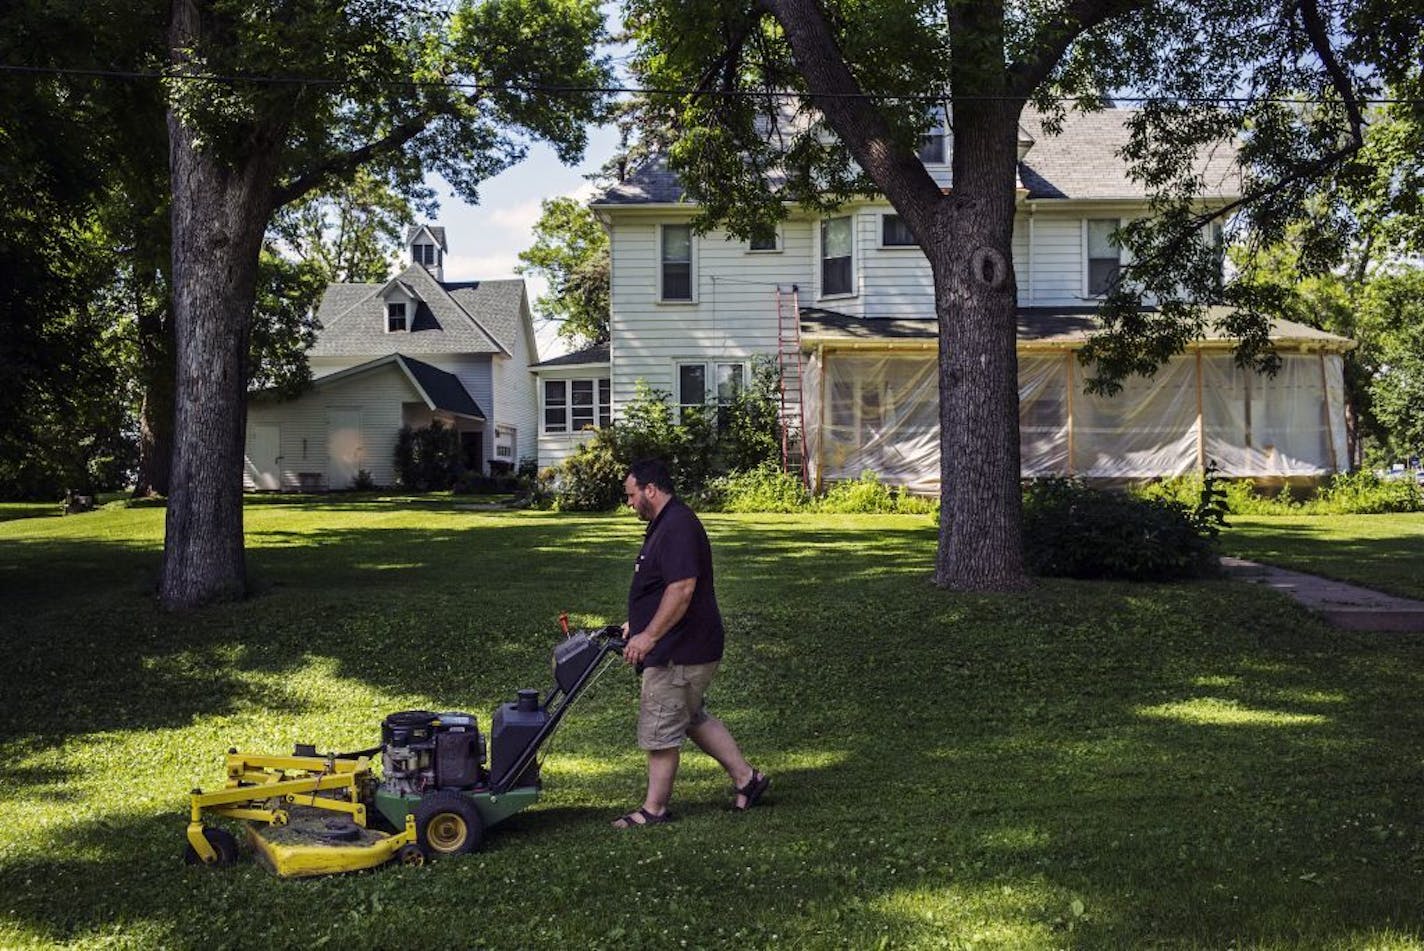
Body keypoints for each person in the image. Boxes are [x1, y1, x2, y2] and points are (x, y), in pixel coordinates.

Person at [614, 458, 770, 828]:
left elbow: (682, 588)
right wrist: (636, 623)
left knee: (660, 731)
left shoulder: (678, 526)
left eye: (632, 495)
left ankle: (654, 810)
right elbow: (661, 585)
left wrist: (649, 635)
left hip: (680, 650)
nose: (630, 503)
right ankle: (749, 780)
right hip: (685, 643)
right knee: (691, 717)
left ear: (651, 489)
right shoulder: (664, 524)